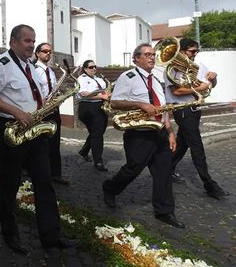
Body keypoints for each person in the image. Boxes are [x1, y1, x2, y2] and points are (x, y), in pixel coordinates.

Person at [0, 24, 79, 254]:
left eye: (33, 41)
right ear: (14, 41)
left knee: (44, 183)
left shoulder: (31, 67)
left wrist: (43, 108)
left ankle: (51, 236)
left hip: (34, 129)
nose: (32, 45)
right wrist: (16, 112)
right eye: (27, 40)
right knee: (10, 183)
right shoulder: (0, 64)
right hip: (10, 128)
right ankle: (9, 232)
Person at [102, 44, 185, 228]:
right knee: (133, 168)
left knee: (163, 171)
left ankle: (164, 211)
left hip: (160, 132)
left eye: (153, 54)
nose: (152, 57)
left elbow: (163, 109)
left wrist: (170, 132)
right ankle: (110, 188)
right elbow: (115, 102)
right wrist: (140, 105)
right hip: (140, 134)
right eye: (147, 54)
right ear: (136, 58)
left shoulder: (155, 80)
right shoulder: (128, 76)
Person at [165, 38, 229, 199]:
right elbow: (176, 92)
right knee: (196, 146)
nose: (195, 54)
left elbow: (209, 85)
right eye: (192, 51)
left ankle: (166, 168)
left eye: (197, 51)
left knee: (183, 143)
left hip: (195, 109)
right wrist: (197, 87)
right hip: (183, 110)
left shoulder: (199, 67)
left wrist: (213, 77)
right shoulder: (172, 69)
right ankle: (209, 184)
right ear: (182, 51)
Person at [33, 43, 69, 185]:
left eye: (50, 51)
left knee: (55, 143)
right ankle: (39, 171)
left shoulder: (51, 71)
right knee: (40, 143)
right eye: (45, 51)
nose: (48, 53)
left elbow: (54, 89)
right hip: (40, 111)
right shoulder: (34, 70)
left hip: (53, 110)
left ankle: (56, 173)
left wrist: (58, 97)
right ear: (37, 53)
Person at [76, 60, 110, 171]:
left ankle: (84, 152)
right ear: (85, 69)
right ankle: (98, 161)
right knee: (97, 134)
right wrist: (101, 96)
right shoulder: (82, 79)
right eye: (91, 67)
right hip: (88, 107)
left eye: (95, 66)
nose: (94, 69)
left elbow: (105, 91)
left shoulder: (99, 78)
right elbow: (83, 94)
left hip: (100, 107)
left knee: (97, 132)